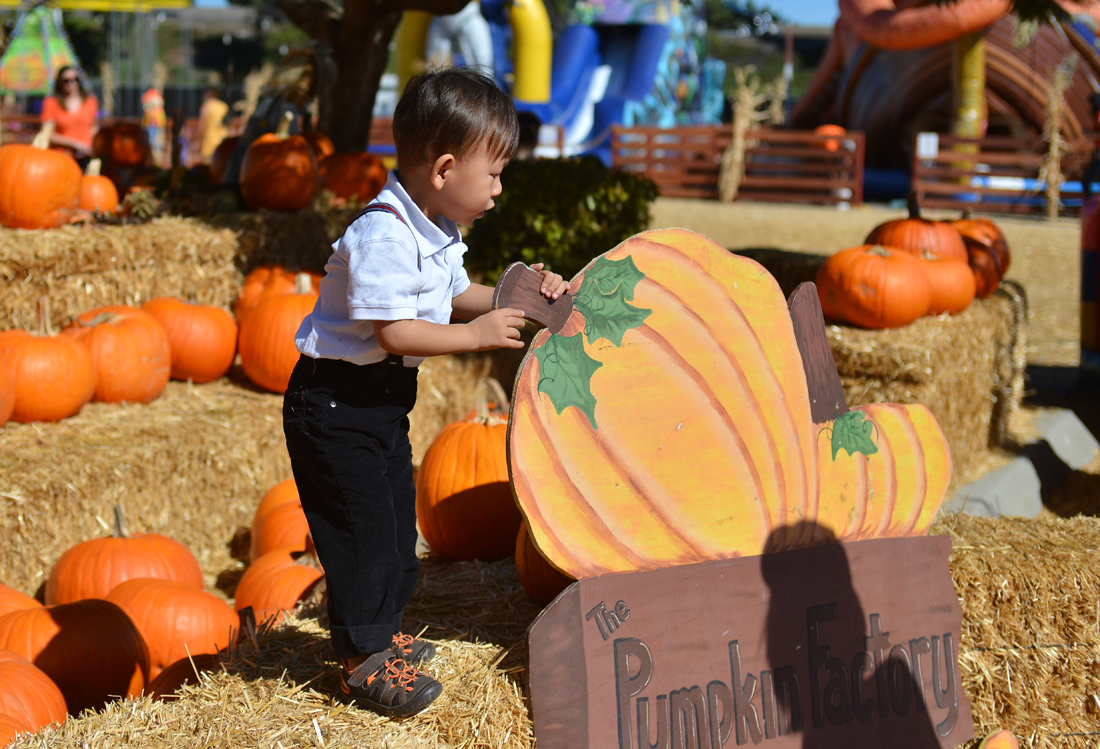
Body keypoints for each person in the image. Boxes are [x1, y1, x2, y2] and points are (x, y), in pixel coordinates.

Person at [282, 68, 569, 718]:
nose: (499, 187)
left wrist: (508, 297)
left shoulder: (435, 228)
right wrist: (476, 339)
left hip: (377, 402)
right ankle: (362, 659)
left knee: (393, 526)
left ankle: (384, 633)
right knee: (360, 533)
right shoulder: (382, 232)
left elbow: (449, 294)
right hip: (333, 406)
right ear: (443, 169)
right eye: (493, 173)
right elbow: (392, 328)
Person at [40, 66, 98, 158]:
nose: (70, 83)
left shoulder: (90, 101)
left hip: (86, 154)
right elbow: (47, 133)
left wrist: (93, 147)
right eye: (66, 80)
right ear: (59, 83)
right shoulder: (51, 103)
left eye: (74, 80)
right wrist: (74, 145)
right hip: (62, 155)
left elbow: (93, 129)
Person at [194, 87, 229, 164]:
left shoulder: (206, 107)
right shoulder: (224, 106)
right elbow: (227, 125)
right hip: (222, 142)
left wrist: (197, 141)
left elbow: (201, 127)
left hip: (209, 144)